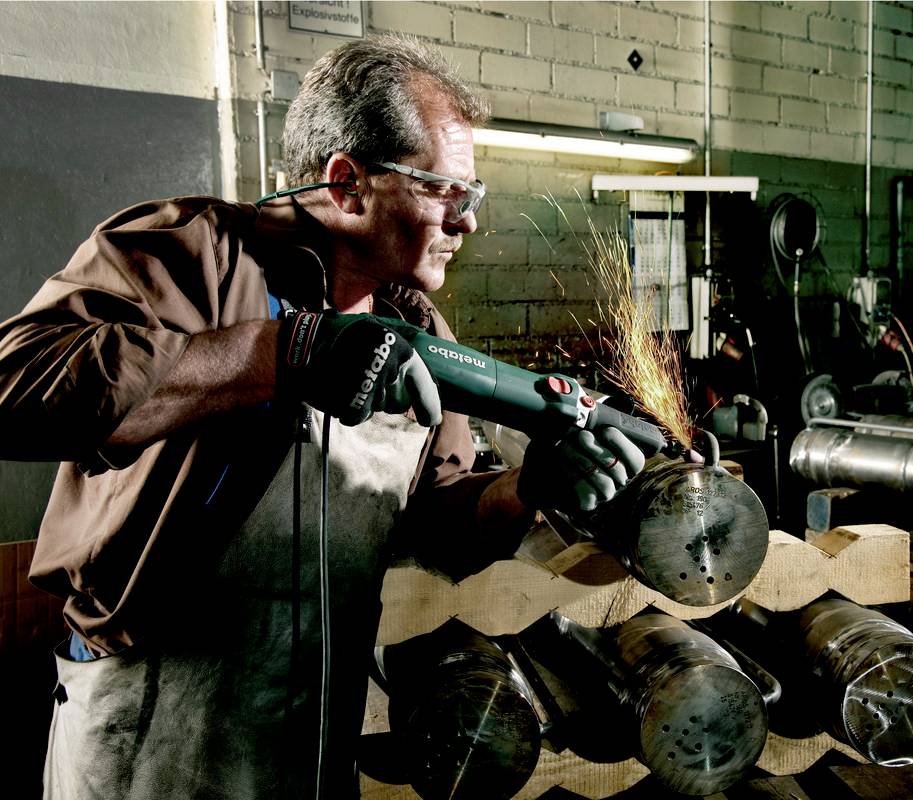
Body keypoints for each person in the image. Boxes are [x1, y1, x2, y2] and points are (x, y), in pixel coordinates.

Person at [0, 33, 647, 799]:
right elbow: (16, 389)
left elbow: (438, 526)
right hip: (151, 716)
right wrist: (284, 351)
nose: (467, 222)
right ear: (349, 184)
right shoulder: (195, 255)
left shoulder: (421, 333)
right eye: (447, 192)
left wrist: (525, 487)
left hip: (313, 722)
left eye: (473, 198)